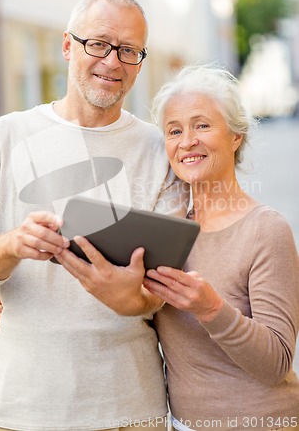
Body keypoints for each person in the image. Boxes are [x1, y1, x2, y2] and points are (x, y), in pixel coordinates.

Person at [20, 65, 299, 431]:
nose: (186, 142)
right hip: (183, 424)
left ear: (235, 135)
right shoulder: (160, 231)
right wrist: (3, 301)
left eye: (202, 125)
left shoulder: (266, 229)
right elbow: (128, 308)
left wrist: (211, 308)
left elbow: (276, 362)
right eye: (174, 131)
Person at [0, 0, 189, 431]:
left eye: (129, 51)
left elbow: (166, 291)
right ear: (68, 46)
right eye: (98, 44)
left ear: (141, 62)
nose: (112, 62)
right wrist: (10, 247)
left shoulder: (162, 149)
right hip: (18, 408)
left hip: (128, 408)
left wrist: (133, 296)